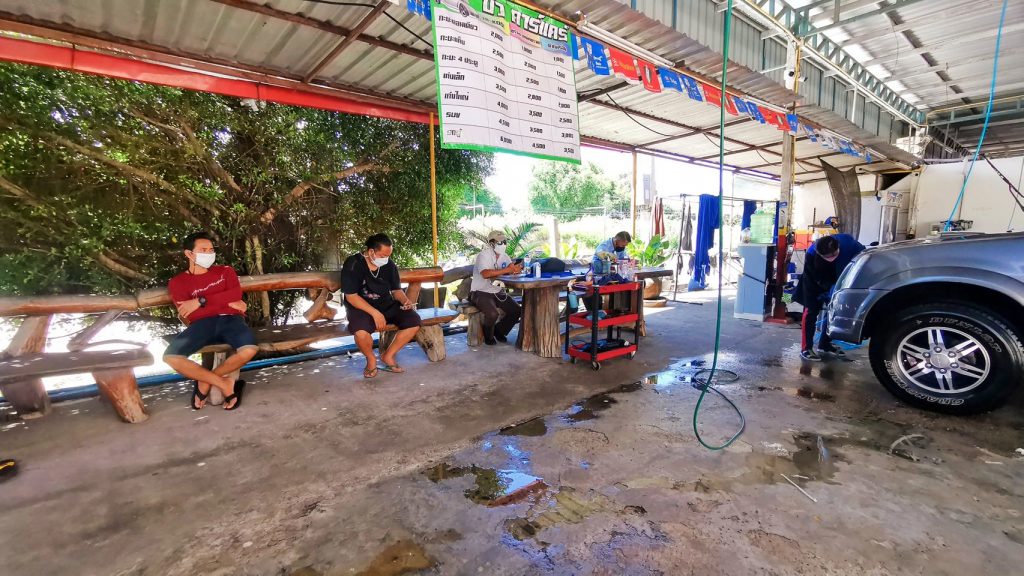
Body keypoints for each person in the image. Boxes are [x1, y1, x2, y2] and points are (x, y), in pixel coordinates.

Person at [164, 231, 256, 410]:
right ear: (189, 254)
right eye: (203, 250)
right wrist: (224, 302)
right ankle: (223, 383)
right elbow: (189, 314)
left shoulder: (225, 271)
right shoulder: (178, 282)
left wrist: (200, 301)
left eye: (211, 250)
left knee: (250, 349)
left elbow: (235, 295)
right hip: (201, 324)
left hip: (231, 320)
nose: (209, 253)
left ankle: (204, 381)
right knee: (171, 357)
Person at [342, 233, 421, 378]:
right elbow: (351, 297)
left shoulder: (388, 265)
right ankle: (371, 360)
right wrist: (375, 313)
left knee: (413, 320)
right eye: (383, 255)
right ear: (371, 251)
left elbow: (396, 290)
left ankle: (388, 356)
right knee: (360, 332)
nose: (386, 259)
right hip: (360, 307)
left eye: (389, 255)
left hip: (386, 304)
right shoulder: (353, 264)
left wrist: (405, 301)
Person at [796, 234, 865, 361]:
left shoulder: (850, 244)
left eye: (835, 254)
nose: (832, 258)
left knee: (833, 312)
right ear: (819, 254)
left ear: (838, 246)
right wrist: (824, 290)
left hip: (838, 280)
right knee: (810, 312)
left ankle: (825, 344)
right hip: (814, 282)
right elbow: (812, 276)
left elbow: (864, 256)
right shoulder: (811, 253)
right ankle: (806, 348)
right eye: (828, 257)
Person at [470, 231, 524, 345]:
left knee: (516, 310)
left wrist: (515, 270)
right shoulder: (483, 255)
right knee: (493, 314)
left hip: (497, 291)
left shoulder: (505, 256)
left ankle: (499, 331)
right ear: (491, 244)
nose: (503, 244)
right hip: (480, 291)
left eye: (504, 242)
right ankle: (488, 335)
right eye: (499, 242)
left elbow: (510, 269)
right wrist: (508, 270)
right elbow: (485, 274)